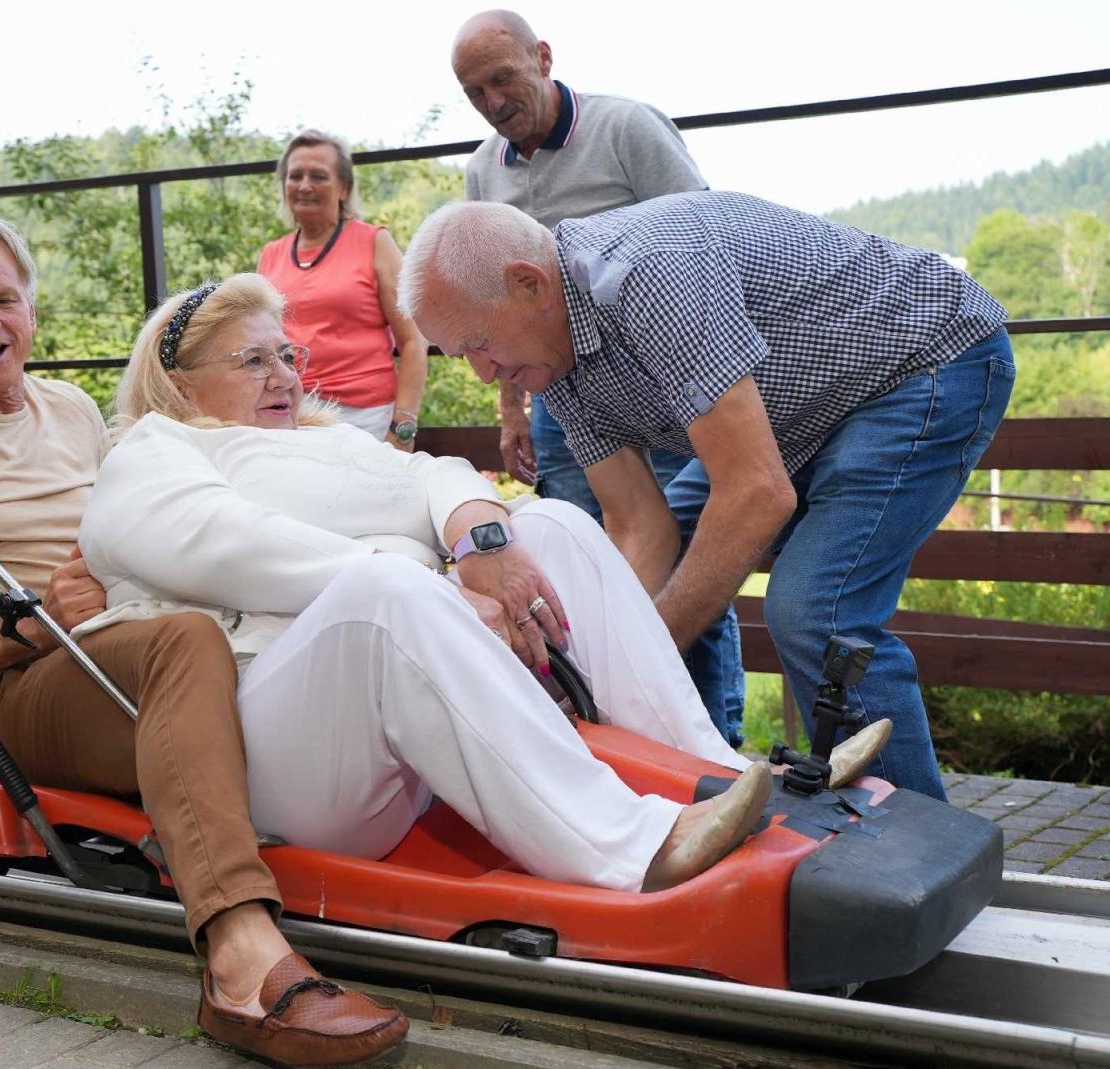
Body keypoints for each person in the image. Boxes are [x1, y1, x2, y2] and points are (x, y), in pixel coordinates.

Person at [79, 274, 887, 907]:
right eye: (252, 360)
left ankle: (714, 772)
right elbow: (223, 543)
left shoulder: (331, 445)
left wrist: (478, 535)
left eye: (289, 355)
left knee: (556, 525)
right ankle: (635, 844)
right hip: (272, 747)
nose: (283, 375)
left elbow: (437, 475)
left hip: (396, 727)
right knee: (387, 592)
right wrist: (433, 581)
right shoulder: (153, 451)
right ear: (178, 382)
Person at [0, 215, 408, 1067]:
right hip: (10, 692)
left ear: (31, 310)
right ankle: (239, 956)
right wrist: (24, 630)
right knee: (188, 640)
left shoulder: (70, 409)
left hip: (119, 637)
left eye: (4, 300)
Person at [397, 196, 1013, 800]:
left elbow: (756, 492)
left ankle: (914, 842)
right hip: (796, 419)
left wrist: (631, 672)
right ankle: (697, 784)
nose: (483, 373)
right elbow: (639, 525)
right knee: (675, 577)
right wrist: (589, 670)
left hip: (922, 365)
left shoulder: (647, 275)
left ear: (528, 284)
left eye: (479, 343)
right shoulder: (552, 360)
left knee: (813, 612)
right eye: (461, 356)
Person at [450, 9, 746, 748]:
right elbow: (490, 301)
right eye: (474, 91)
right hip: (564, 393)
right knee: (590, 556)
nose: (492, 102)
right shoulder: (483, 170)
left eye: (503, 79)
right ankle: (622, 734)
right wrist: (513, 408)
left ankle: (712, 736)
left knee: (691, 549)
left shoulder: (626, 128)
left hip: (669, 382)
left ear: (544, 58)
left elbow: (703, 235)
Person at [256, 130, 429, 449]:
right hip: (288, 413)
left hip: (365, 417)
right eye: (295, 176)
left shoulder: (374, 242)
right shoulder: (271, 255)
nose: (304, 185)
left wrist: (403, 428)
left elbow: (413, 341)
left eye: (319, 176)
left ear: (344, 188)